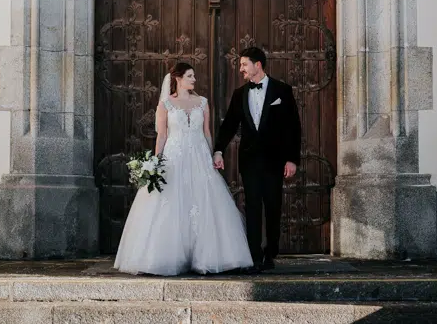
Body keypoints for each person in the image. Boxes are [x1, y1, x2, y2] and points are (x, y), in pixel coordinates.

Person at [114, 62, 253, 275]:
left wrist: (212, 155)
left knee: (204, 202)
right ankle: (165, 257)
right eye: (190, 76)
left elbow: (207, 132)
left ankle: (207, 257)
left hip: (199, 157)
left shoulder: (203, 102)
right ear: (178, 78)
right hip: (174, 157)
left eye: (194, 76)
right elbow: (162, 136)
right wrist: (155, 163)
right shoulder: (165, 105)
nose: (194, 79)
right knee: (171, 204)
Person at [213, 48, 301, 272]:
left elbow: (293, 128)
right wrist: (218, 150)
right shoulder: (239, 94)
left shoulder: (282, 90)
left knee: (273, 205)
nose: (241, 68)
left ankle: (271, 252)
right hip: (250, 160)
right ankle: (254, 255)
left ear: (258, 65)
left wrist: (292, 159)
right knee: (252, 205)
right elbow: (229, 125)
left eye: (244, 64)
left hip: (275, 160)